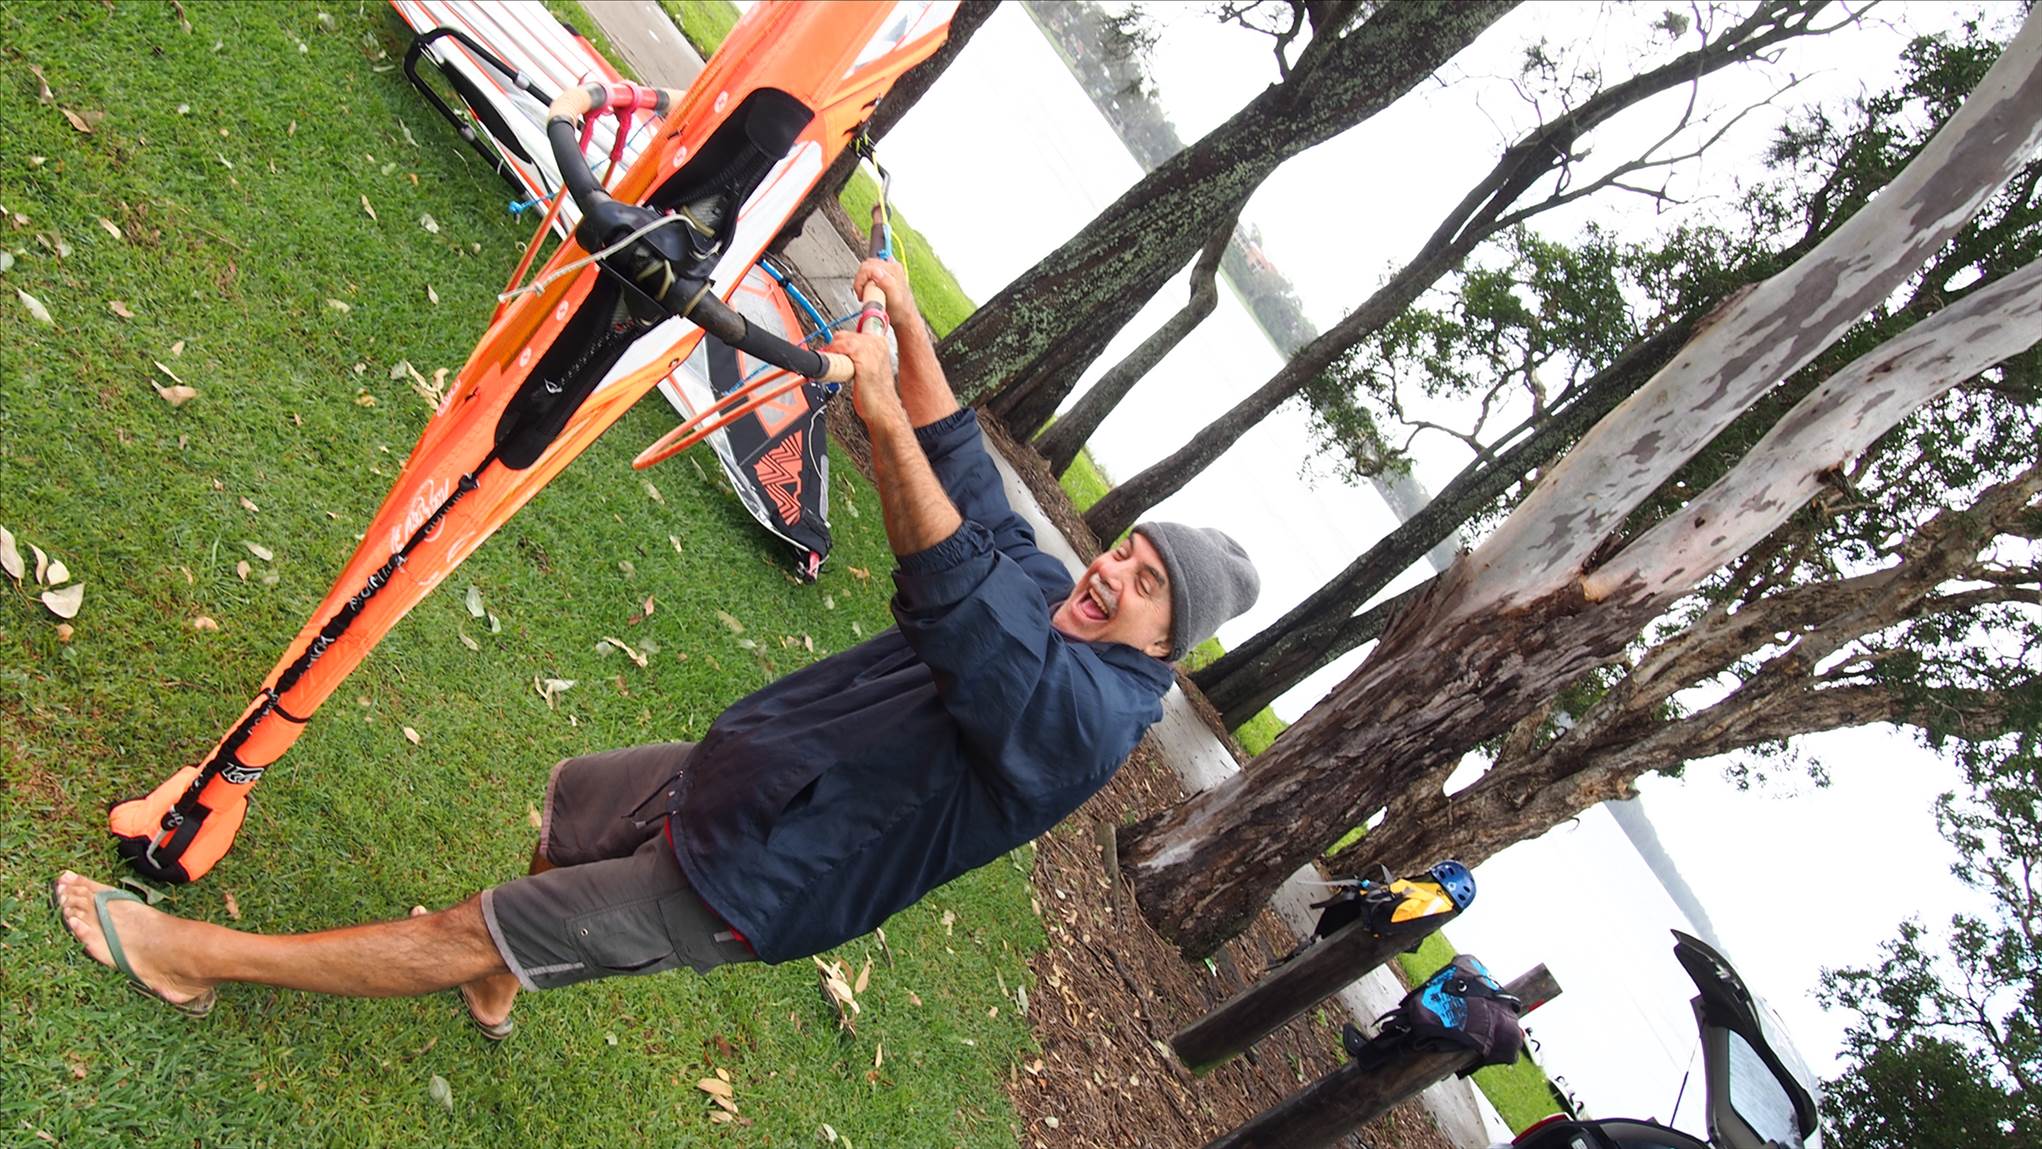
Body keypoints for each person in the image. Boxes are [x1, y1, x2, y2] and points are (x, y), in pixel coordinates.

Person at [52, 258, 1260, 1036]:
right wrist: (905, 327)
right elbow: (969, 486)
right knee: (570, 800)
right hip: (741, 772)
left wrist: (877, 409)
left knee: (475, 921)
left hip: (758, 879)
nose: (1108, 575)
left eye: (1143, 586)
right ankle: (501, 978)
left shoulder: (1090, 721)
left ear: (1166, 644)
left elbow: (952, 593)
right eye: (1123, 551)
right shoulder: (1053, 588)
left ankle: (194, 956)